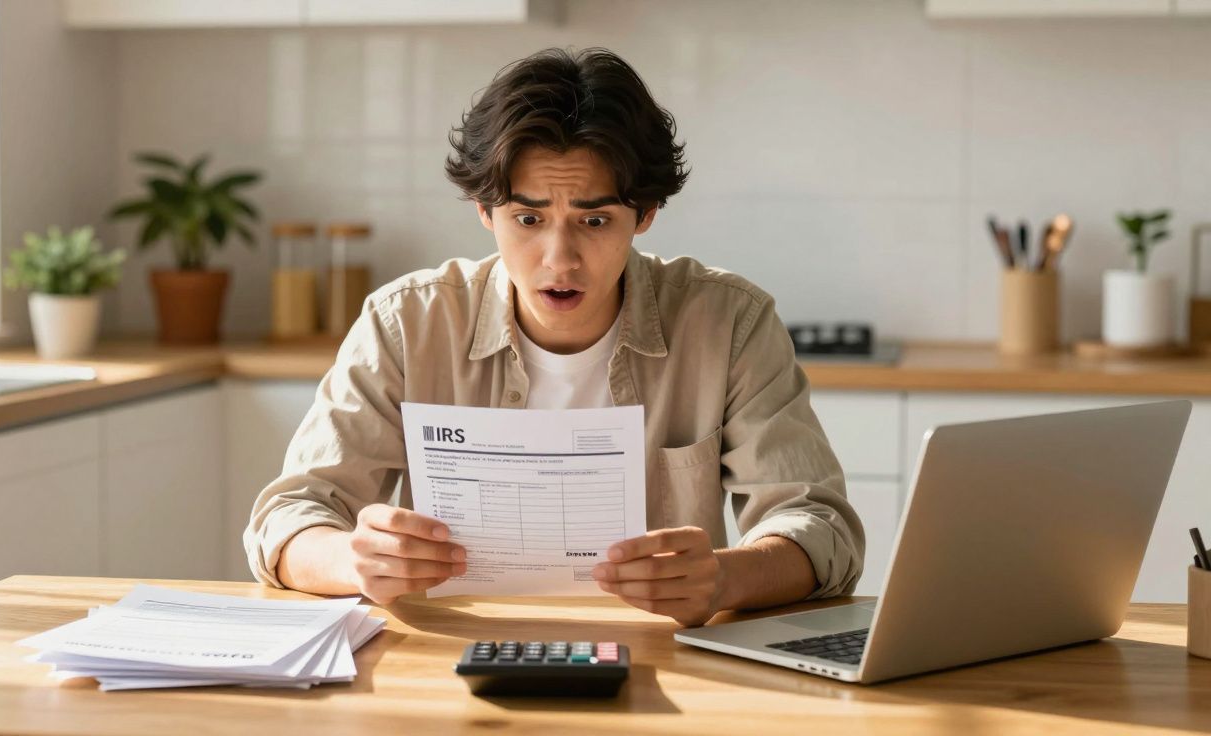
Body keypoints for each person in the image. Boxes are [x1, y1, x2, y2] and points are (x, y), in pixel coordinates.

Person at [244, 47, 864, 627]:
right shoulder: (407, 322)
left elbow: (822, 528)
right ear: (485, 211)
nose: (559, 259)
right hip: (449, 652)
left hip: (663, 658)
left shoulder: (728, 322)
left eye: (594, 220)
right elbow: (288, 519)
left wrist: (725, 580)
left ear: (644, 213)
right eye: (528, 219)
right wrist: (357, 561)